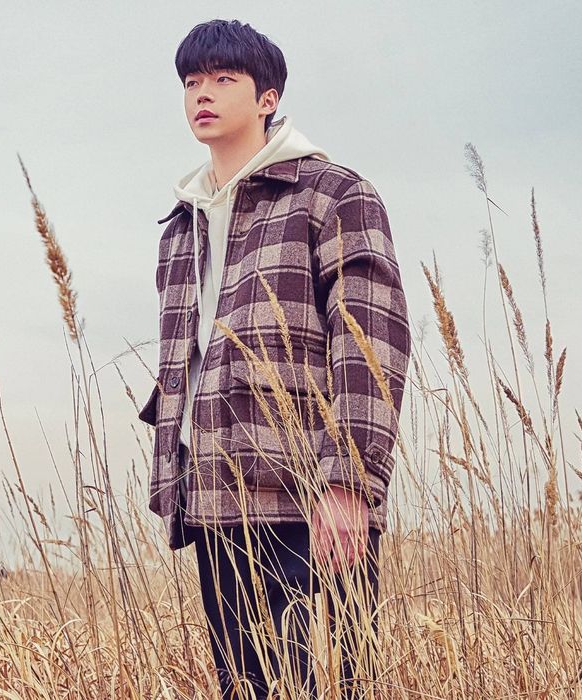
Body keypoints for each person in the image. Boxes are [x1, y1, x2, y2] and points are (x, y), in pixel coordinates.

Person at [139, 20, 411, 698]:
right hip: (213, 498)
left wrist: (349, 482)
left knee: (332, 683)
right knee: (247, 687)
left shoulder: (331, 195)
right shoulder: (182, 224)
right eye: (191, 82)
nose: (202, 94)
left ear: (268, 98)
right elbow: (190, 361)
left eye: (223, 79)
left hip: (307, 495)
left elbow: (371, 343)